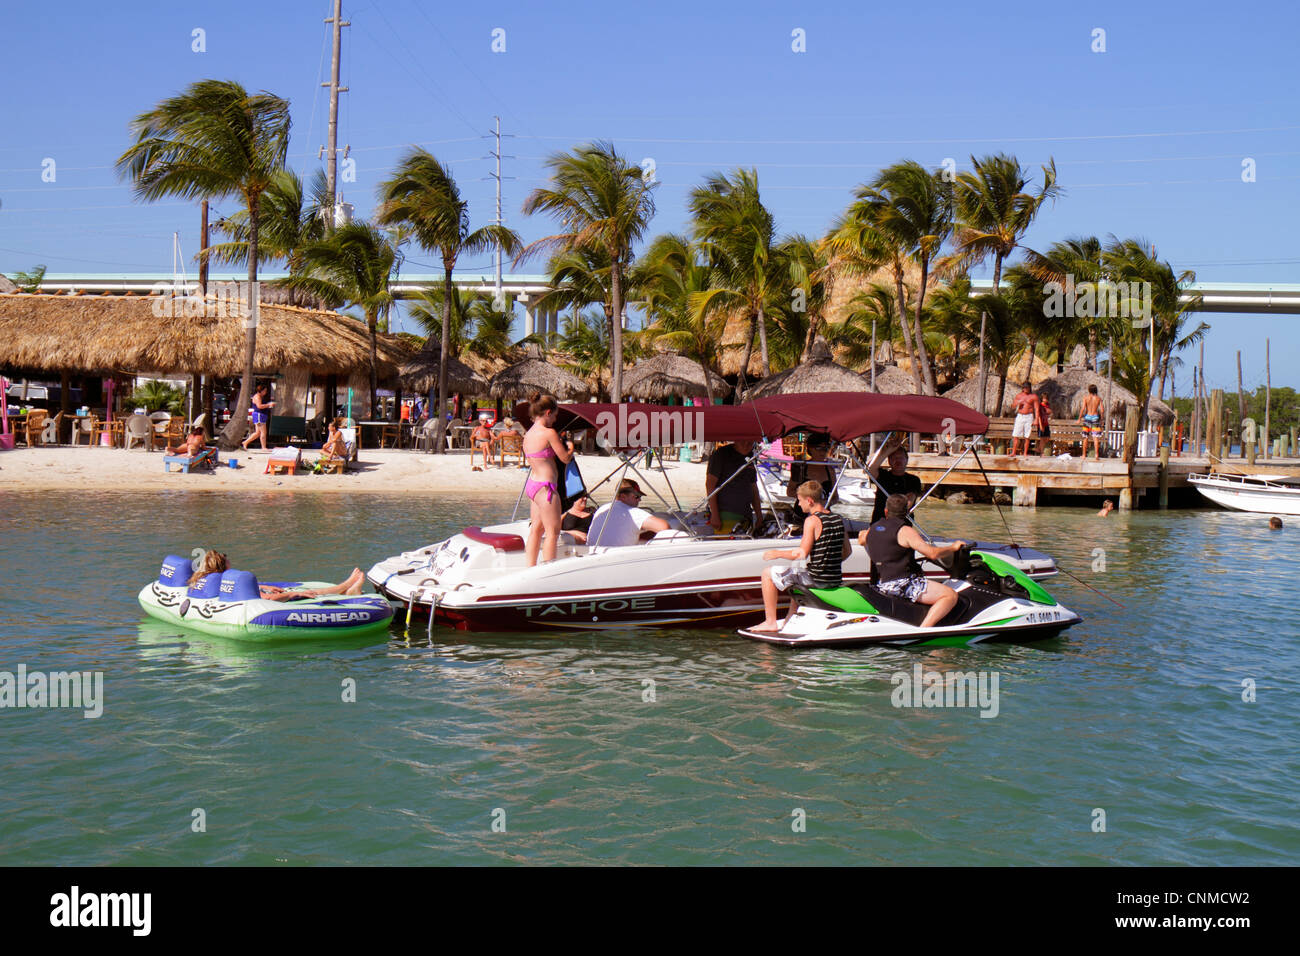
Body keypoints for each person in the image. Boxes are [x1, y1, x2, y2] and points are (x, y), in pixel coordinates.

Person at [752, 481, 851, 633]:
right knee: (798, 574)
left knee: (767, 573)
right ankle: (790, 618)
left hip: (816, 580)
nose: (798, 504)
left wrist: (777, 553)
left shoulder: (811, 521)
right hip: (834, 579)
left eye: (799, 500)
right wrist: (828, 562)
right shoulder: (838, 519)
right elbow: (847, 552)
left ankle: (770, 621)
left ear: (809, 500)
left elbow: (801, 554)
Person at [864, 494, 968, 628]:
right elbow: (932, 554)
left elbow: (862, 540)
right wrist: (953, 547)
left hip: (883, 583)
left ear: (886, 511)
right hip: (904, 584)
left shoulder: (872, 529)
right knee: (950, 595)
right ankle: (924, 629)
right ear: (907, 512)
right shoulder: (905, 531)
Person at [522, 394, 576, 566]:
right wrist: (571, 447)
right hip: (546, 488)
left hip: (533, 485)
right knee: (553, 532)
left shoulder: (529, 434)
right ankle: (548, 568)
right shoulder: (549, 433)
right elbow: (565, 458)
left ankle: (529, 567)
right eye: (554, 415)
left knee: (536, 531)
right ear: (547, 412)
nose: (555, 419)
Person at [186, 550, 365, 600]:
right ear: (222, 566)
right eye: (226, 559)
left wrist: (262, 586)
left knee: (303, 591)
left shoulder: (204, 578)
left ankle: (346, 589)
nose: (230, 561)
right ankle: (346, 588)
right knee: (311, 593)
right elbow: (265, 599)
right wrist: (294, 593)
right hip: (269, 605)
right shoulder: (225, 578)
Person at [585, 479, 671, 548]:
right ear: (623, 496)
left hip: (594, 554)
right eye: (636, 496)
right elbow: (665, 527)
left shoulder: (602, 509)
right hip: (619, 560)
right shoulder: (633, 512)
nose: (639, 500)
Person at [705, 439, 764, 531]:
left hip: (746, 514)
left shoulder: (752, 456)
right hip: (725, 514)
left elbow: (753, 487)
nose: (746, 445)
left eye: (750, 442)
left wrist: (759, 515)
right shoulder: (721, 454)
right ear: (735, 440)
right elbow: (710, 484)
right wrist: (715, 515)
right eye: (742, 441)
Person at [867, 434, 923, 524]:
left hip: (902, 524)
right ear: (889, 461)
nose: (898, 461)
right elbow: (871, 469)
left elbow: (909, 502)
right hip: (880, 522)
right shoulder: (883, 475)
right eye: (894, 458)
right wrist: (888, 450)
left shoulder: (913, 480)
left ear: (906, 460)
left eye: (901, 458)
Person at [787, 433, 838, 520]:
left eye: (825, 449)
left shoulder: (830, 471)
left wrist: (826, 502)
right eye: (819, 448)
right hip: (801, 515)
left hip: (823, 516)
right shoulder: (801, 468)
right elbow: (790, 492)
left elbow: (835, 497)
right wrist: (808, 499)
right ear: (810, 448)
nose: (822, 452)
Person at [241, 383, 274, 451]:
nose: (265, 392)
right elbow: (259, 406)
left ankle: (245, 442)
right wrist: (268, 405)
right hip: (259, 415)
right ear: (261, 391)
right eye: (264, 391)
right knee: (263, 432)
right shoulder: (257, 397)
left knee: (258, 433)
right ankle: (263, 447)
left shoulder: (259, 396)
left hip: (260, 415)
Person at [1011, 382, 1039, 457]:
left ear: (1030, 388)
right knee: (1016, 435)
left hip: (1029, 416)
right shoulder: (1019, 396)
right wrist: (1017, 403)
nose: (1025, 389)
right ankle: (1013, 452)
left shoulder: (1033, 396)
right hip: (1020, 416)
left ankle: (1025, 453)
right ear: (1022, 388)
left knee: (1027, 436)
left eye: (1027, 388)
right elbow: (1012, 406)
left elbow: (1036, 408)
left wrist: (1036, 419)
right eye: (1024, 388)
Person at [1079, 384, 1104, 459]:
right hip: (1095, 418)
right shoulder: (1098, 399)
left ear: (1089, 390)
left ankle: (1083, 455)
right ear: (1096, 390)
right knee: (1095, 437)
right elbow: (1102, 410)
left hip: (1087, 417)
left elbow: (1083, 409)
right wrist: (1102, 420)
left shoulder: (1086, 398)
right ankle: (1096, 455)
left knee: (1085, 437)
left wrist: (1079, 418)